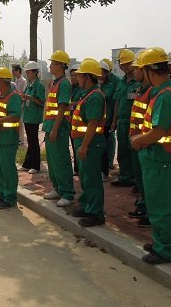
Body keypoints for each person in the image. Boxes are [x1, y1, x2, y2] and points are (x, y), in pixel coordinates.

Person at [131, 47, 171, 265]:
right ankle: (160, 241)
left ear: (149, 71)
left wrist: (138, 140)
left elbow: (158, 131)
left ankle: (166, 249)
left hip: (161, 158)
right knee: (156, 203)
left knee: (162, 206)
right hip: (157, 158)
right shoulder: (161, 92)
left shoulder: (165, 96)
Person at [70, 59, 107, 227]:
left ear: (87, 77)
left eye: (80, 76)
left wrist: (84, 146)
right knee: (85, 178)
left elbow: (93, 123)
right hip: (84, 142)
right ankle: (86, 205)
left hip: (91, 143)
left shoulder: (95, 97)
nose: (77, 78)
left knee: (92, 179)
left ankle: (95, 213)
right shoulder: (87, 95)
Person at [42, 50, 75, 207]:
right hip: (50, 126)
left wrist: (55, 129)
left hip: (59, 128)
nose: (50, 66)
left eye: (53, 63)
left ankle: (67, 193)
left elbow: (62, 107)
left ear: (61, 66)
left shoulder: (64, 83)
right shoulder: (55, 83)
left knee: (61, 160)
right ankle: (58, 188)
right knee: (52, 160)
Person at [0, 68, 23, 209]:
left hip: (9, 138)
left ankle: (10, 198)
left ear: (4, 81)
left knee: (8, 168)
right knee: (0, 168)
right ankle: (2, 193)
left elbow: (15, 116)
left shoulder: (14, 97)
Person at [128, 50, 152, 227]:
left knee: (148, 180)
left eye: (138, 69)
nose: (134, 71)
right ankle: (144, 205)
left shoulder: (152, 92)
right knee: (140, 177)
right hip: (136, 139)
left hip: (144, 141)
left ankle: (150, 211)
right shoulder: (140, 90)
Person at [111, 49, 140, 187]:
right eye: (122, 64)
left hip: (134, 122)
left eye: (127, 64)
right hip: (122, 121)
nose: (124, 67)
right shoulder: (121, 82)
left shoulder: (138, 82)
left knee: (134, 150)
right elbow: (117, 102)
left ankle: (135, 178)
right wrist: (114, 121)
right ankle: (124, 176)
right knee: (122, 150)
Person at [19, 61, 46, 174]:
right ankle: (27, 164)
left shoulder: (38, 86)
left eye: (29, 72)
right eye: (26, 72)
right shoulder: (30, 85)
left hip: (33, 117)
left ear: (35, 72)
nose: (27, 74)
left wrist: (30, 98)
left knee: (33, 142)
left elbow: (41, 102)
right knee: (31, 141)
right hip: (28, 116)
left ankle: (35, 165)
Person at [69, 64, 84, 175]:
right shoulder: (71, 88)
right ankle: (76, 168)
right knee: (74, 145)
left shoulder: (82, 89)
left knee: (80, 145)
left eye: (75, 75)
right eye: (72, 75)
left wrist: (70, 104)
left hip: (80, 121)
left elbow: (81, 102)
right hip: (71, 119)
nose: (73, 77)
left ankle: (80, 169)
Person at [13, 64, 28, 143]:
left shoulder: (23, 81)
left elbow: (24, 92)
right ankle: (18, 137)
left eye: (13, 71)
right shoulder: (16, 80)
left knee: (20, 121)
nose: (12, 72)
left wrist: (21, 102)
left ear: (18, 71)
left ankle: (21, 138)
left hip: (21, 102)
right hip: (16, 102)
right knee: (16, 120)